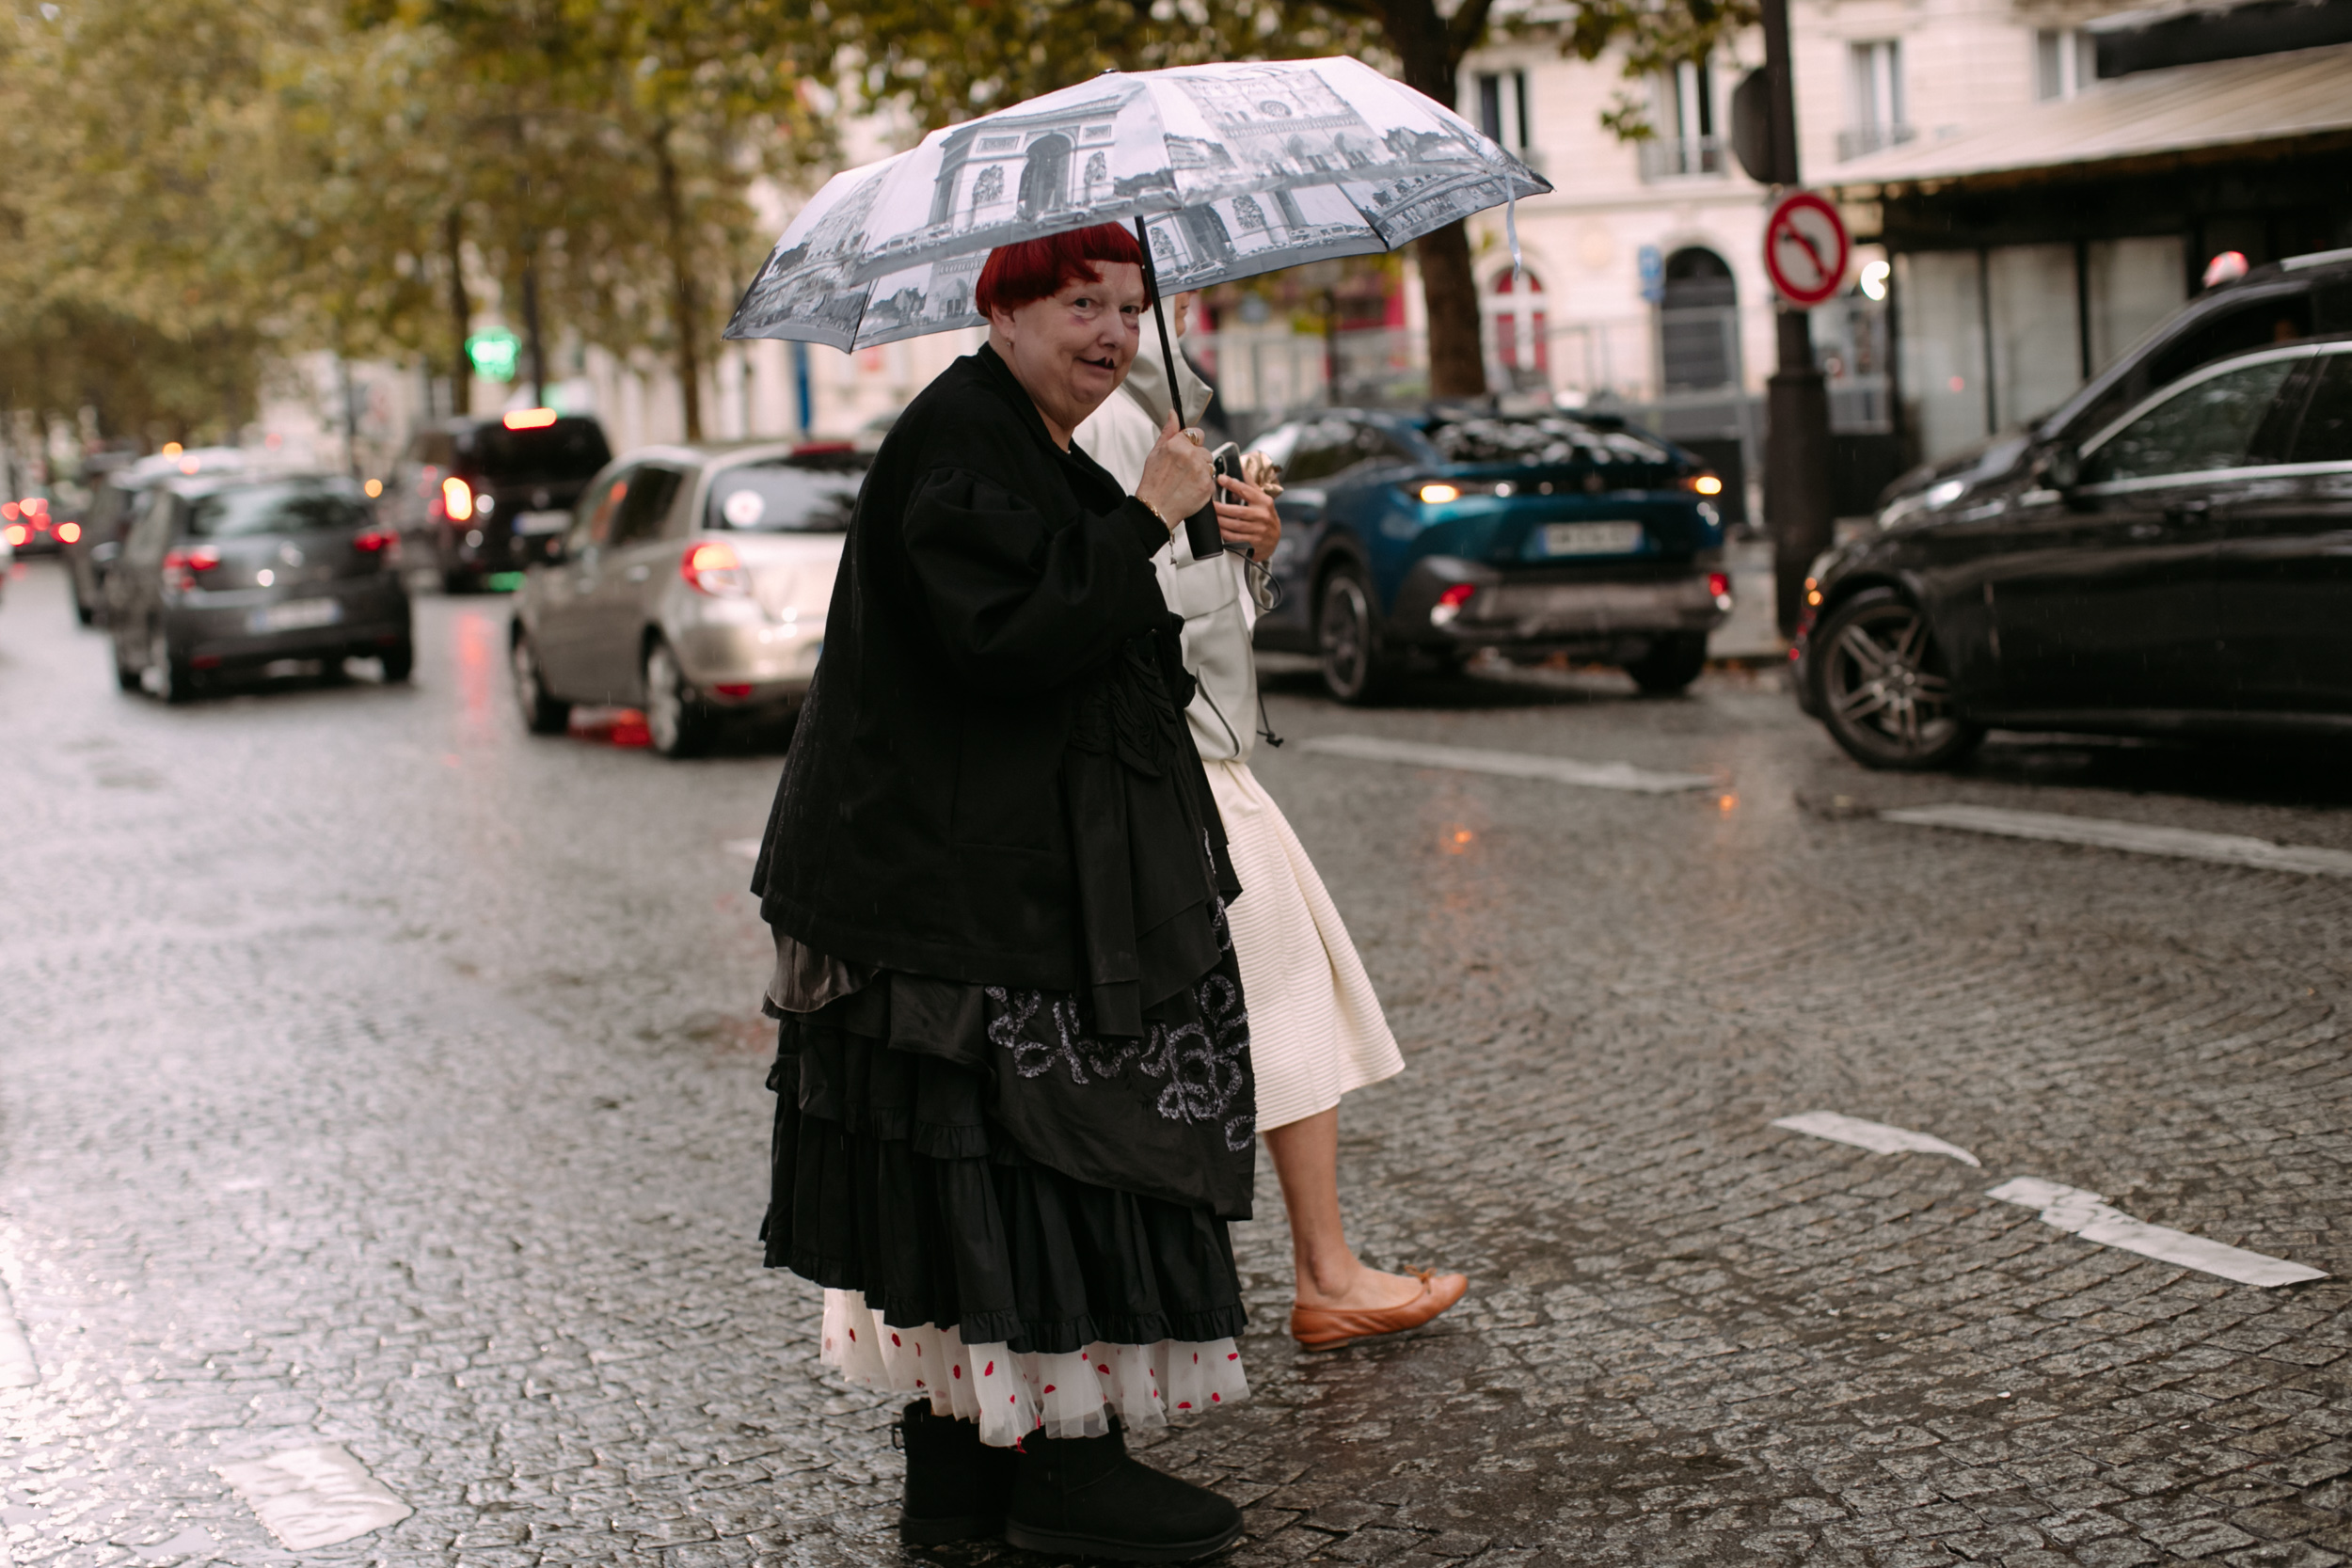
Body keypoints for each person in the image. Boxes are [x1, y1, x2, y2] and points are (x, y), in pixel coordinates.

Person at [751, 223, 1258, 1562]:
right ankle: (1064, 1476)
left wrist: (1192, 524)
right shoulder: (960, 436)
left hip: (950, 888)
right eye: (1082, 304)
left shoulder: (1015, 437)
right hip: (948, 901)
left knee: (966, 1177)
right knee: (1030, 1165)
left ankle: (961, 1488)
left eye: (1130, 308)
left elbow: (1086, 601)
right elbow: (1012, 640)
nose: (1112, 334)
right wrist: (1148, 513)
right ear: (1005, 309)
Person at [1074, 296, 1469, 1352]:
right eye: (1097, 296)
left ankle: (1317, 1266)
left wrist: (1255, 544)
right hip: (1181, 759)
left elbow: (1198, 598)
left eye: (1126, 296)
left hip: (1191, 752)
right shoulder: (1125, 415)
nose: (1125, 312)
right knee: (1281, 989)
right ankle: (1318, 1272)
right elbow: (1160, 609)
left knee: (1280, 992)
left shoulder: (1158, 400)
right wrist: (1220, 554)